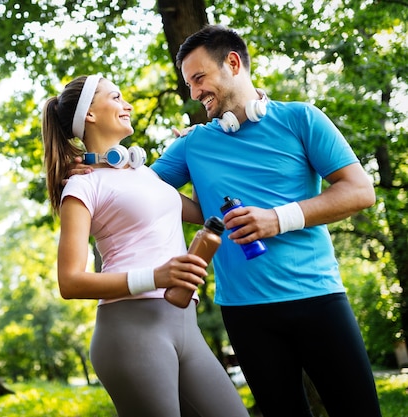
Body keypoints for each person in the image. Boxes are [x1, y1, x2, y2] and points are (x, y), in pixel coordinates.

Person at [148, 25, 382, 417]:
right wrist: (102, 163)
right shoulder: (195, 142)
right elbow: (144, 191)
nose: (194, 92)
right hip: (244, 314)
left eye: (199, 78)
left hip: (318, 298)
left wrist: (279, 218)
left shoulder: (301, 119)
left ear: (233, 63)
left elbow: (359, 191)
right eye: (188, 83)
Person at [42, 74, 249, 417]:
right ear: (89, 114)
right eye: (116, 97)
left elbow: (200, 213)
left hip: (185, 325)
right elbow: (70, 282)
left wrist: (196, 155)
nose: (127, 105)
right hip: (130, 330)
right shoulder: (82, 187)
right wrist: (156, 276)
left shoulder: (146, 175)